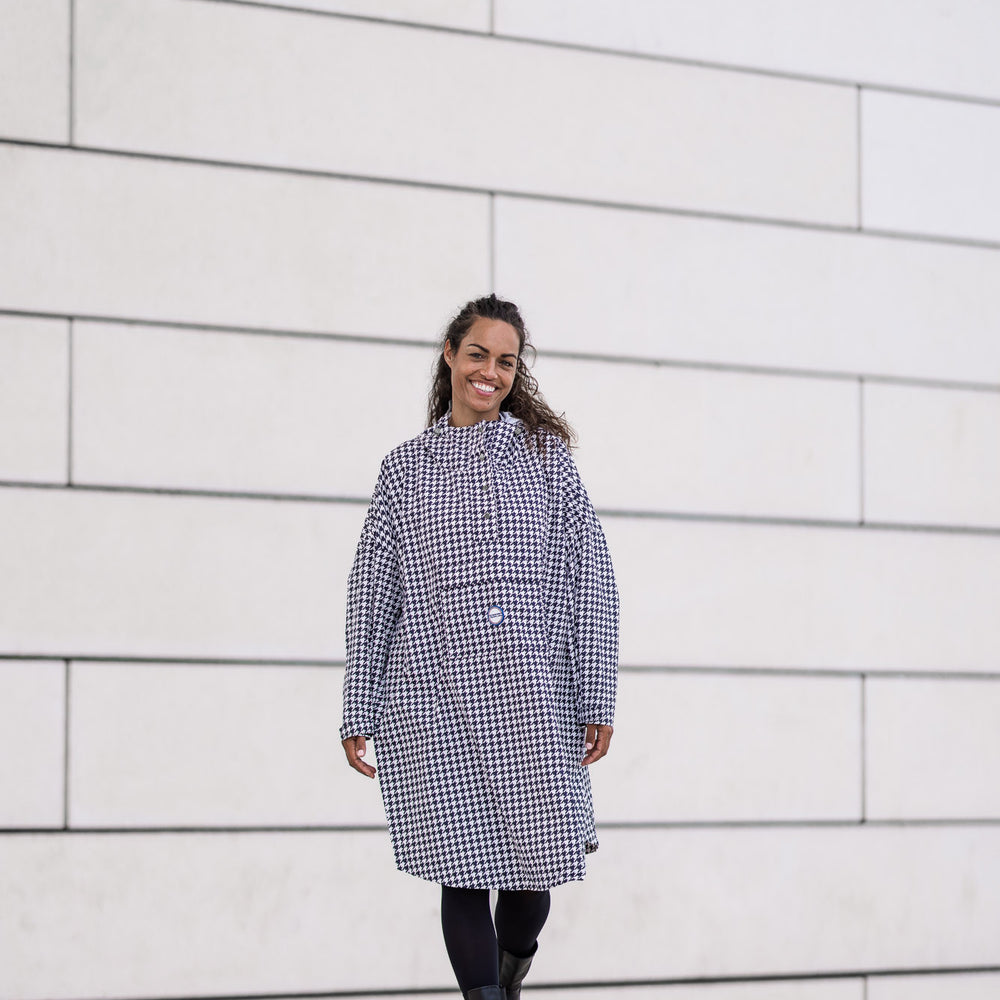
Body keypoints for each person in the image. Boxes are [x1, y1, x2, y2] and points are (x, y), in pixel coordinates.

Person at [340, 293, 619, 1000]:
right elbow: (373, 593)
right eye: (477, 354)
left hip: (532, 698)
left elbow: (592, 574)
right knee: (459, 873)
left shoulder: (545, 460)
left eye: (505, 361)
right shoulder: (405, 470)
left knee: (530, 883)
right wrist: (358, 707)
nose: (489, 372)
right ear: (450, 355)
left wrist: (596, 692)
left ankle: (511, 967)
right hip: (431, 702)